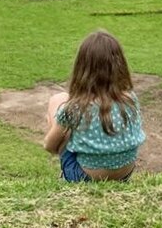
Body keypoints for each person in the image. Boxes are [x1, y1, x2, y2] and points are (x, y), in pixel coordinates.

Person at [43, 30, 145, 183]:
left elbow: (49, 147)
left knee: (58, 99)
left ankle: (67, 174)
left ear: (82, 67)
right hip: (125, 173)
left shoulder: (76, 106)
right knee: (68, 110)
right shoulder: (130, 98)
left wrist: (64, 131)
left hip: (86, 177)